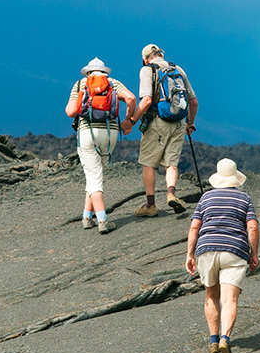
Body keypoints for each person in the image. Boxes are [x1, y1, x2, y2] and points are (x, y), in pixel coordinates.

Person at [185, 159, 259, 353]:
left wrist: (190, 255)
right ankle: (226, 337)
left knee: (211, 295)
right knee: (229, 299)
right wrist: (254, 254)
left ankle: (214, 340)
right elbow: (252, 227)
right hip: (234, 250)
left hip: (207, 249)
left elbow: (194, 227)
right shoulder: (244, 199)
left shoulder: (206, 198)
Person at [120, 44, 198, 217]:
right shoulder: (177, 69)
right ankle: (171, 194)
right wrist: (190, 123)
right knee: (171, 163)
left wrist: (131, 121)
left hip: (157, 122)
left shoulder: (148, 70)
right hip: (178, 123)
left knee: (149, 163)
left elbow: (147, 100)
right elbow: (193, 102)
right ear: (161, 54)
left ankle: (150, 205)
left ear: (145, 59)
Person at [66, 57, 137, 234]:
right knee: (95, 174)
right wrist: (128, 120)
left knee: (93, 176)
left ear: (88, 72)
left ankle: (102, 220)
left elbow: (70, 112)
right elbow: (131, 98)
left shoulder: (80, 84)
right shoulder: (113, 83)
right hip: (110, 133)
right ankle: (86, 216)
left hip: (87, 133)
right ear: (104, 71)